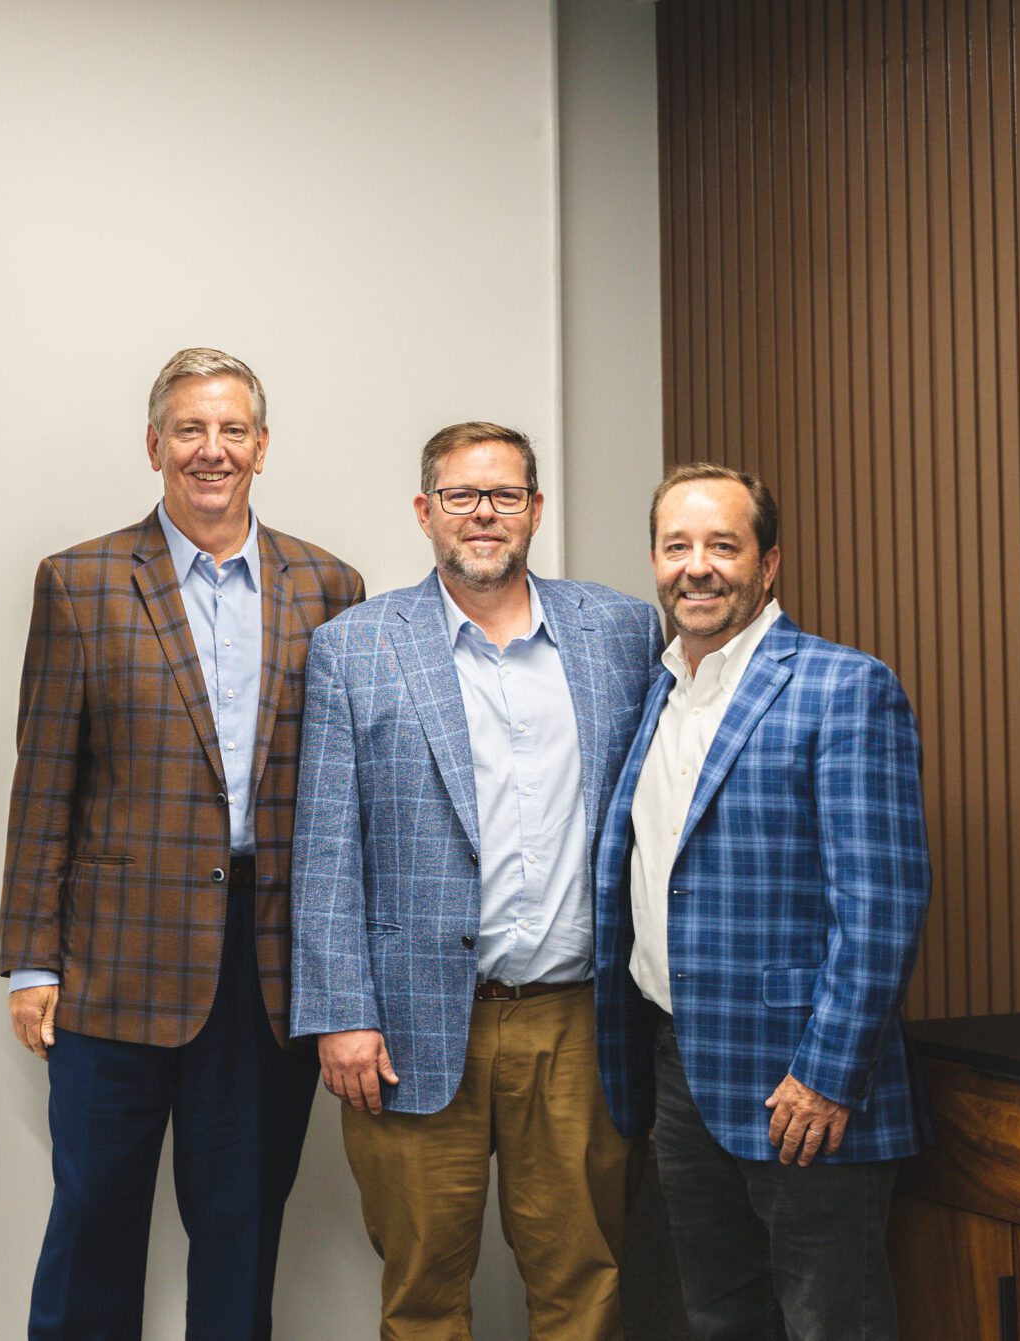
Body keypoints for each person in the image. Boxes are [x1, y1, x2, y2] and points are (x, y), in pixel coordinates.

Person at [1, 347, 364, 1339]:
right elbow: (44, 782)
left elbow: (344, 796)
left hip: (268, 965)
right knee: (94, 1222)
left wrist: (348, 972)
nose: (213, 449)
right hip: (112, 960)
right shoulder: (79, 581)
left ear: (262, 447)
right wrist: (32, 959)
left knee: (241, 1227)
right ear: (154, 444)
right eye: (190, 429)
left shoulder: (330, 586)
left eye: (232, 430)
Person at [292, 422, 662, 1340]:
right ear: (426, 512)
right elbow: (326, 845)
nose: (484, 514)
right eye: (461, 495)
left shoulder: (621, 631)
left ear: (536, 509)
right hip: (409, 1023)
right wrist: (341, 1012)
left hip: (577, 1020)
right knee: (422, 1292)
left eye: (504, 495)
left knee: (584, 1281)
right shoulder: (354, 646)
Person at [593, 463, 930, 1340]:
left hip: (802, 1084)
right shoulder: (659, 691)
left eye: (723, 545)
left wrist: (826, 1074)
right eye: (676, 546)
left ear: (768, 563)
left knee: (833, 1323)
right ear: (656, 561)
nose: (697, 566)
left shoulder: (844, 687)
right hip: (681, 1071)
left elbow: (882, 907)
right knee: (719, 1318)